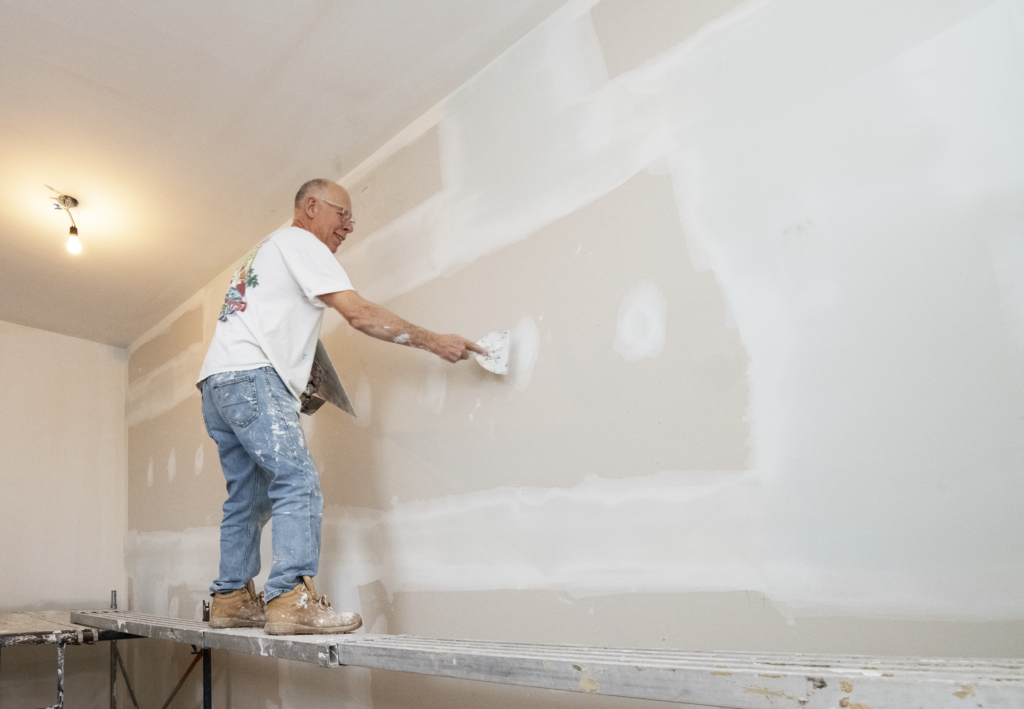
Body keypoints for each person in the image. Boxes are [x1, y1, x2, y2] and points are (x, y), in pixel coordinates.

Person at [197, 179, 484, 635]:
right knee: (297, 480)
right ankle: (291, 598)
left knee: (248, 499)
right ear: (310, 207)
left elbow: (274, 328)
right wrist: (435, 341)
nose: (349, 227)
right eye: (342, 214)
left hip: (217, 383)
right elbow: (360, 314)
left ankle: (230, 598)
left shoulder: (267, 252)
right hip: (252, 378)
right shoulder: (299, 241)